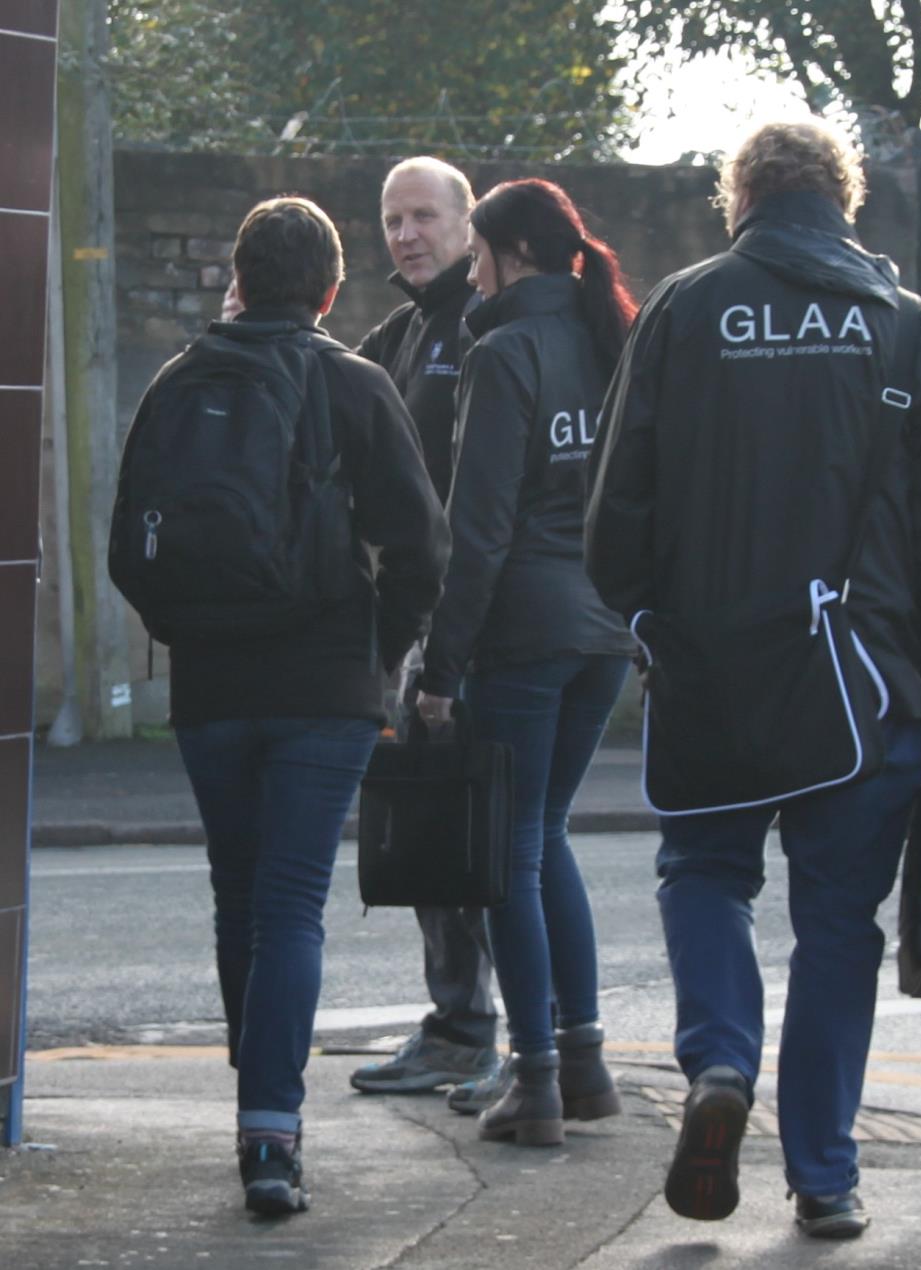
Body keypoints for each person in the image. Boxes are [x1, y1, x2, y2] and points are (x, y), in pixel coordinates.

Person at [585, 119, 921, 1237]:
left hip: (712, 667)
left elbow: (616, 504)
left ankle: (721, 1062)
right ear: (843, 200)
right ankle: (824, 1173)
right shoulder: (906, 327)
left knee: (705, 872)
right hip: (859, 681)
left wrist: (645, 619)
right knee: (837, 926)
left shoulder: (682, 309)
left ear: (742, 203)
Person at [117, 196, 450, 1213]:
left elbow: (132, 546)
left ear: (239, 276)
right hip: (323, 688)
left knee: (238, 891)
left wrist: (192, 633)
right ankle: (274, 1132)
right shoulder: (351, 383)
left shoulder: (180, 382)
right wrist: (378, 651)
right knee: (292, 902)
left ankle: (252, 1103)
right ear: (332, 291)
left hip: (214, 688)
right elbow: (423, 548)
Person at [415, 178, 638, 1146]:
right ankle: (582, 1062)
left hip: (526, 633)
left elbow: (480, 529)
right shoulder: (614, 341)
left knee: (510, 852)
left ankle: (536, 1078)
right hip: (607, 633)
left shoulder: (504, 352)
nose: (470, 272)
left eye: (476, 255)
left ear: (513, 253)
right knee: (545, 836)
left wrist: (438, 665)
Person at [349, 157, 504, 1102]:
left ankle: (495, 1041)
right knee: (438, 840)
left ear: (467, 224)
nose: (406, 235)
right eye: (391, 219)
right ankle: (460, 1029)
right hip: (418, 623)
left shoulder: (485, 325)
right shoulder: (399, 333)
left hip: (478, 626)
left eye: (423, 217)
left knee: (478, 842)